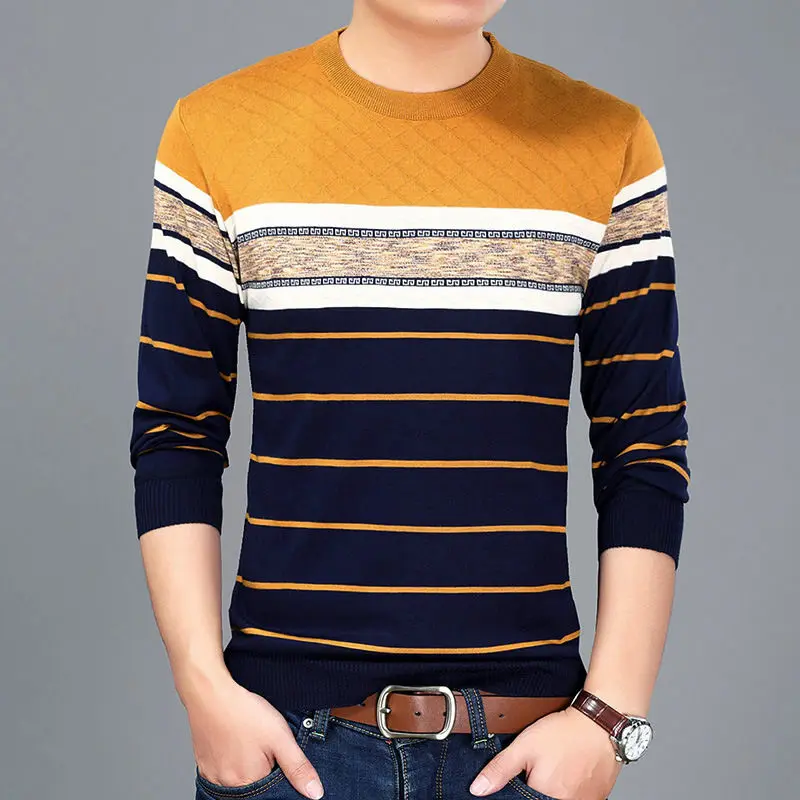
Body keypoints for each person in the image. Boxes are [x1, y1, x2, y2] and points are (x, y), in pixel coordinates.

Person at [128, 2, 691, 798]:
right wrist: (201, 688)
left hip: (525, 751)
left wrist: (611, 717)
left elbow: (644, 441)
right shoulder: (218, 131)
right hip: (291, 751)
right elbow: (179, 431)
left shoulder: (608, 141)